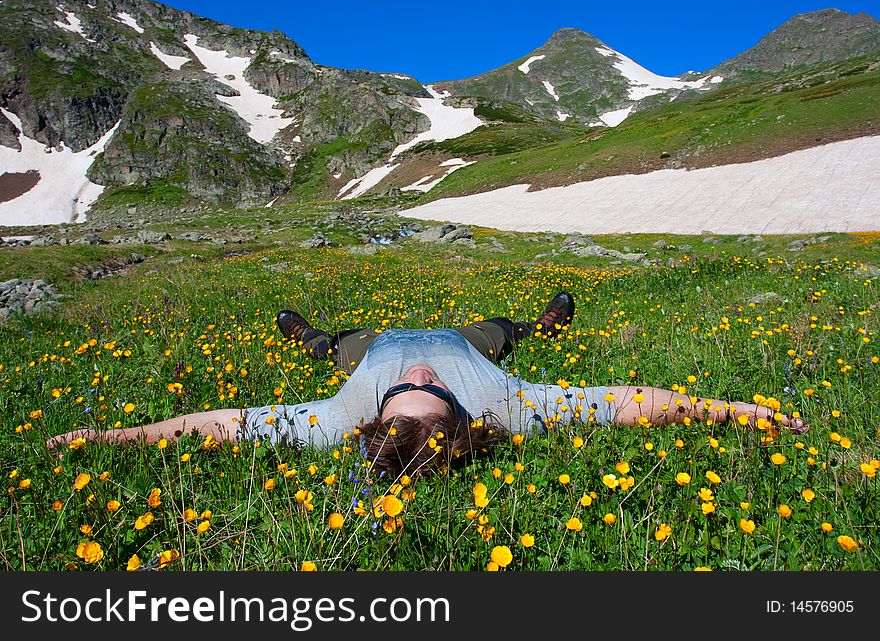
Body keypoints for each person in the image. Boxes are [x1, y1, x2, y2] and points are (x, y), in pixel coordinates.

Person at [47, 292, 804, 477]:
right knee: (503, 334)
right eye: (431, 388)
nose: (420, 373)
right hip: (472, 339)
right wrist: (732, 408)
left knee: (337, 346)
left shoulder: (344, 412)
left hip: (364, 343)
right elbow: (631, 404)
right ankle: (544, 323)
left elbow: (219, 424)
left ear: (378, 412)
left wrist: (107, 435)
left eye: (405, 388)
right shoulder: (506, 406)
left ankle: (305, 333)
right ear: (460, 411)